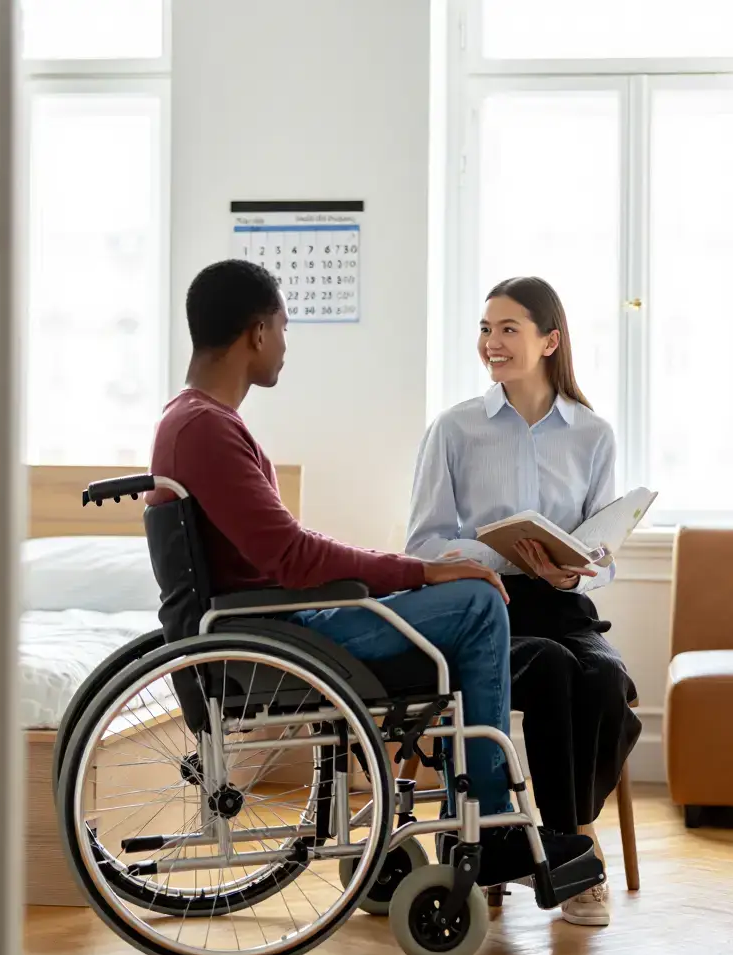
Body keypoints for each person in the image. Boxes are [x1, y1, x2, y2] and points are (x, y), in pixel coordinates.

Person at [146, 259, 593, 888]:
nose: (284, 345)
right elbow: (293, 557)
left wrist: (410, 573)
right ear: (255, 334)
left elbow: (287, 548)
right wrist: (417, 571)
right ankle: (492, 824)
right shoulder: (205, 429)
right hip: (274, 641)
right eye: (282, 328)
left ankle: (487, 819)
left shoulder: (196, 422)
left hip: (274, 627)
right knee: (476, 601)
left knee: (465, 594)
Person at [406, 275, 642, 926]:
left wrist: (575, 573)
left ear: (550, 341)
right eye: (486, 329)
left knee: (603, 678)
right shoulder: (454, 429)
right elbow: (423, 543)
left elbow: (603, 548)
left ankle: (565, 833)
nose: (492, 343)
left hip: (564, 604)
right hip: (485, 608)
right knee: (556, 670)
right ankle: (565, 853)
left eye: (509, 329)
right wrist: (506, 557)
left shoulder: (593, 434)